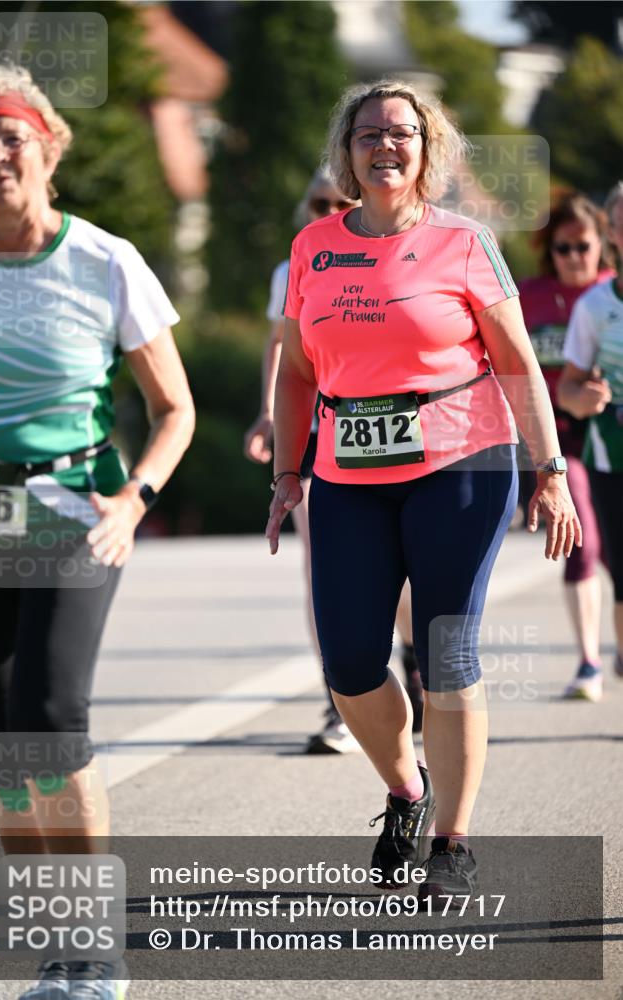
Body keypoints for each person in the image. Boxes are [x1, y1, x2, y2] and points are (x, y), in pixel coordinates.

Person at [266, 79, 580, 904]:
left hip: (460, 465)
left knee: (446, 654)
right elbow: (296, 370)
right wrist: (287, 472)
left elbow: (516, 362)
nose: (384, 146)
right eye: (367, 134)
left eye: (400, 133)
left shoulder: (464, 243)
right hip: (345, 476)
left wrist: (549, 473)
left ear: (425, 147)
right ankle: (406, 791)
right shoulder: (314, 250)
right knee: (349, 663)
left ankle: (452, 841)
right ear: (347, 151)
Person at [0, 65, 195, 1000]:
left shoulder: (103, 260)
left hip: (70, 515)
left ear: (48, 150)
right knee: (3, 746)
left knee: (51, 721)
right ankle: (51, 936)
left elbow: (172, 408)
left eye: (12, 138)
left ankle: (93, 953)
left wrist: (135, 500)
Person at [245, 171, 423, 751]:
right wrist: (271, 416)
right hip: (324, 431)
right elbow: (282, 348)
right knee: (323, 570)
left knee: (400, 575)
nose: (324, 210)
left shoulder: (402, 250)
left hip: (395, 428)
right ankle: (339, 701)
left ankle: (414, 666)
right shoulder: (298, 262)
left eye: (336, 202)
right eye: (316, 202)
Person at [519, 194, 615, 700]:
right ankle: (589, 661)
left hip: (611, 431)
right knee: (582, 538)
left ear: (603, 245)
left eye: (584, 246)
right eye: (563, 248)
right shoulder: (527, 297)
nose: (575, 257)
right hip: (556, 436)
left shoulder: (611, 295)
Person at [558, 181, 623, 689]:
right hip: (607, 454)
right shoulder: (596, 307)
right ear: (613, 232)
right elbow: (568, 387)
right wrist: (583, 399)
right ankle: (607, 660)